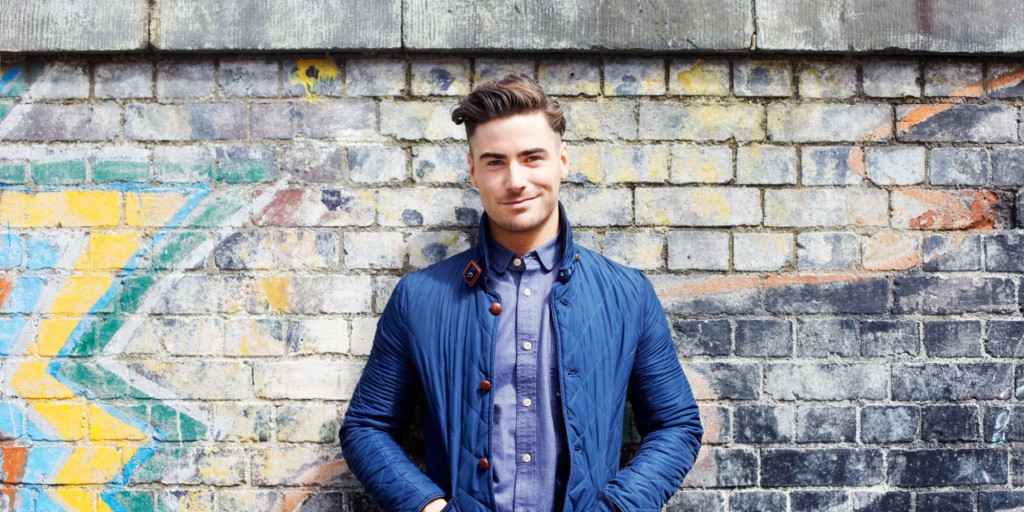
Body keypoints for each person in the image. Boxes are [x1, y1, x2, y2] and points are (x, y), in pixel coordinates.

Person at [340, 74, 702, 512]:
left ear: (562, 161)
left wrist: (618, 507)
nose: (515, 180)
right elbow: (367, 426)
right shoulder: (419, 298)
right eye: (495, 161)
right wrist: (429, 508)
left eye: (532, 158)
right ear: (473, 170)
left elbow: (676, 424)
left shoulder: (627, 294)